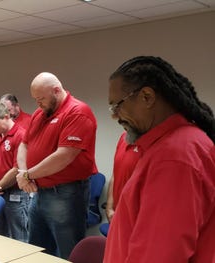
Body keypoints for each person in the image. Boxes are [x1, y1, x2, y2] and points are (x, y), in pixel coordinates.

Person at [103, 56, 215, 262]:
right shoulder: (168, 146)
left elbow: (159, 255)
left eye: (117, 105)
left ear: (147, 97)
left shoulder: (175, 157)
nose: (114, 116)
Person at [16, 72, 97, 259]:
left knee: (67, 252)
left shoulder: (78, 112)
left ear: (56, 90)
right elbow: (24, 144)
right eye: (35, 99)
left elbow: (64, 155)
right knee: (37, 249)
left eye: (41, 98)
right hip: (39, 191)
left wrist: (28, 175)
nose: (38, 103)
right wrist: (23, 173)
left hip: (65, 194)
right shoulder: (39, 114)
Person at [0, 102, 29, 242]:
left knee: (18, 234)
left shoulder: (21, 135)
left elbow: (17, 168)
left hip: (15, 193)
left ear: (7, 116)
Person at [105, 132, 140, 223]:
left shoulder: (156, 144)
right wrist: (109, 208)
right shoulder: (125, 136)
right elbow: (115, 174)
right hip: (117, 214)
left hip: (136, 218)